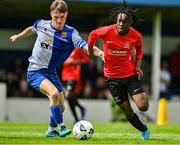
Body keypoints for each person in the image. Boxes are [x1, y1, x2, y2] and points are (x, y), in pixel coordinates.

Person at [9, 0, 92, 138]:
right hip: (35, 71)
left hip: (51, 72)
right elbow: (31, 28)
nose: (59, 21)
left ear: (66, 15)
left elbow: (85, 45)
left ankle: (50, 130)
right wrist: (18, 36)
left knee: (62, 107)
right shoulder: (42, 24)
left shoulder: (71, 33)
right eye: (55, 17)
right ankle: (62, 127)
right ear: (51, 14)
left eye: (62, 17)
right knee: (53, 94)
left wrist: (100, 53)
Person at [88, 1, 150, 140]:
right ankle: (144, 130)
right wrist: (92, 54)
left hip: (129, 75)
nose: (121, 24)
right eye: (119, 21)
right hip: (112, 78)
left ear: (130, 23)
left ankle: (142, 96)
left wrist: (138, 66)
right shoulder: (107, 31)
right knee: (128, 112)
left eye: (125, 21)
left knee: (143, 106)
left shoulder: (136, 36)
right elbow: (92, 35)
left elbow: (139, 48)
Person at [61, 48, 89, 123]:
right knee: (69, 97)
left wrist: (75, 62)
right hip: (64, 76)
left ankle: (78, 115)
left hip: (73, 75)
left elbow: (86, 59)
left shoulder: (78, 48)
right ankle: (79, 112)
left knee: (68, 95)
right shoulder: (64, 47)